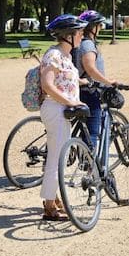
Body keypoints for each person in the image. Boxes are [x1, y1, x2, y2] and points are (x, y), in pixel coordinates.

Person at [39, 14, 87, 220]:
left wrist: (82, 84)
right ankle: (49, 205)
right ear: (69, 35)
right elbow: (47, 85)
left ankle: (53, 197)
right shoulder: (54, 55)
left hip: (63, 110)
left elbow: (64, 80)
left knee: (59, 156)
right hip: (56, 109)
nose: (82, 36)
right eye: (80, 33)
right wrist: (70, 101)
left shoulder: (65, 56)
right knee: (56, 158)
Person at [75, 10, 118, 149]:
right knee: (93, 131)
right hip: (88, 91)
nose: (100, 28)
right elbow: (91, 69)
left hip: (80, 90)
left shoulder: (80, 43)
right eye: (99, 25)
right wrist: (108, 82)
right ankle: (90, 166)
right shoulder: (87, 45)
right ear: (93, 27)